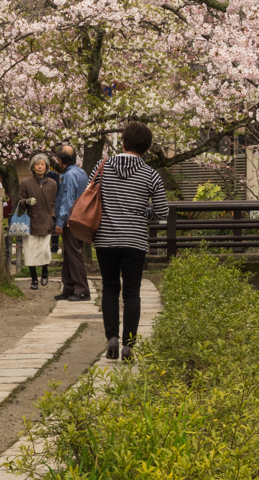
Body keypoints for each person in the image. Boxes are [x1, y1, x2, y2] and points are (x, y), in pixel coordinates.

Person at [91, 121, 168, 361]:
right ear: (146, 149)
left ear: (123, 142)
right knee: (132, 293)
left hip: (105, 239)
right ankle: (128, 346)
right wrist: (142, 213)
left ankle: (111, 338)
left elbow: (90, 194)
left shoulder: (103, 166)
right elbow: (163, 211)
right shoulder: (151, 174)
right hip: (134, 239)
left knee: (110, 287)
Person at [53, 144, 91, 302]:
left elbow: (67, 201)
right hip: (80, 218)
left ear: (61, 160)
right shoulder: (81, 172)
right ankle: (69, 288)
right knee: (69, 254)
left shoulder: (68, 176)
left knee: (73, 254)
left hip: (71, 220)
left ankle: (82, 290)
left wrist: (60, 222)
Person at [18, 153, 58, 290]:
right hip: (30, 221)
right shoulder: (25, 183)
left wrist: (53, 217)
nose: (40, 167)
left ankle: (45, 271)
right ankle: (34, 279)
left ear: (46, 166)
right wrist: (26, 202)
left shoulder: (52, 183)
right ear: (32, 167)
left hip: (47, 221)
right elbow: (19, 201)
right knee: (30, 251)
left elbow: (55, 203)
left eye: (42, 164)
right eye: (37, 164)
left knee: (45, 250)